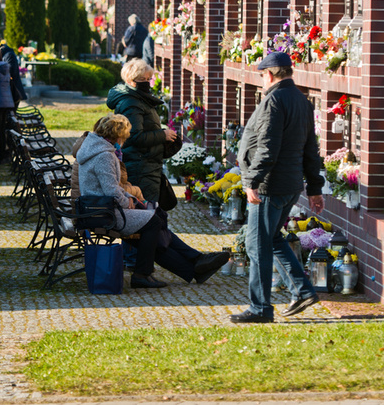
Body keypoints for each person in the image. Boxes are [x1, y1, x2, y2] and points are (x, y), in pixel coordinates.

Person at [76, 114, 229, 287]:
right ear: (118, 135)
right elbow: (110, 189)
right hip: (104, 212)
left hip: (100, 208)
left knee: (152, 230)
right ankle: (143, 274)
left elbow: (111, 187)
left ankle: (194, 269)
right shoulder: (105, 155)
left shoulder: (95, 147)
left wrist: (130, 198)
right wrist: (128, 202)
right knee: (154, 223)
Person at [230, 51, 325, 323]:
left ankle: (260, 308)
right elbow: (311, 151)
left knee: (256, 245)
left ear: (269, 74)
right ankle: (302, 290)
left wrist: (252, 182)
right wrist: (315, 189)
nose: (262, 81)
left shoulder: (274, 101)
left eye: (262, 76)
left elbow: (267, 147)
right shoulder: (302, 102)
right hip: (290, 184)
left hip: (270, 187)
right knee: (271, 239)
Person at [106, 59, 176, 203]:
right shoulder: (131, 102)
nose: (146, 82)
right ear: (131, 80)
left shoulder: (138, 98)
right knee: (148, 211)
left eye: (148, 79)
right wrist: (163, 135)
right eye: (141, 79)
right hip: (141, 166)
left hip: (147, 164)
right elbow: (134, 136)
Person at [0, 43, 27, 108]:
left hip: (13, 90)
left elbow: (10, 70)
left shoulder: (9, 55)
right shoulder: (7, 55)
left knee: (11, 114)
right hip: (11, 90)